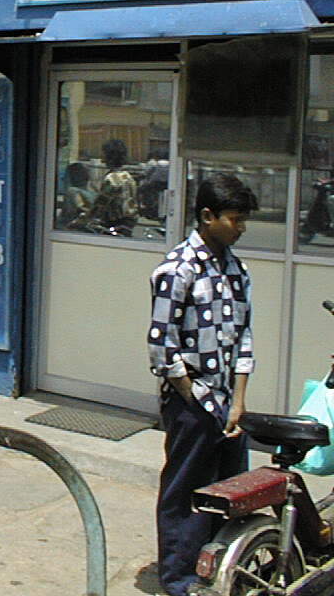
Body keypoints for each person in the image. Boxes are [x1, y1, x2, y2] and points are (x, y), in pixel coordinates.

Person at [147, 173, 259, 596]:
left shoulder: (237, 270)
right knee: (186, 492)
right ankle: (179, 578)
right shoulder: (177, 270)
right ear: (207, 216)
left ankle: (220, 568)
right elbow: (161, 346)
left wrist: (238, 403)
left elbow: (244, 338)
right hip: (192, 405)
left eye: (243, 220)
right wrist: (192, 396)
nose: (241, 228)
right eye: (234, 219)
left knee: (228, 492)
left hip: (228, 404)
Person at [89, 138, 139, 235]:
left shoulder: (111, 179)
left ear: (109, 157)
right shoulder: (128, 177)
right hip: (129, 222)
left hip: (114, 223)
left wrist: (86, 216)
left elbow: (100, 205)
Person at [58, 162, 96, 229]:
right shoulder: (93, 192)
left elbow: (72, 213)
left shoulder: (72, 192)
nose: (63, 179)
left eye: (66, 176)